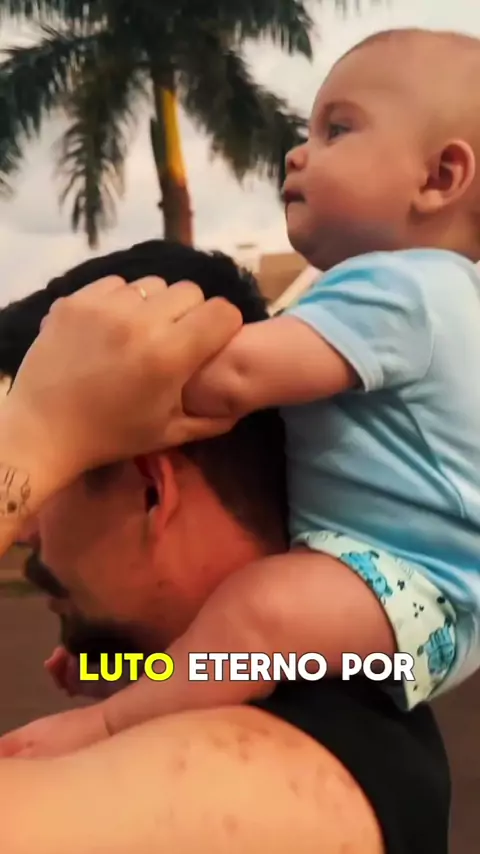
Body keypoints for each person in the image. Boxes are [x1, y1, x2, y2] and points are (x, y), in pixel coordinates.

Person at [14, 26, 480, 741]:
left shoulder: (402, 289)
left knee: (259, 614)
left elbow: (234, 377)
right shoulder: (425, 298)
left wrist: (84, 395)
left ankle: (105, 723)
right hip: (420, 603)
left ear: (440, 177)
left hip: (414, 583)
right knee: (245, 642)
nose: (298, 151)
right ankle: (119, 676)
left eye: (337, 129)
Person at [0, 240, 449, 854]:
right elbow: (234, 663)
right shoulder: (338, 674)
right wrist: (125, 668)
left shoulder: (267, 785)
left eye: (52, 474)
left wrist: (32, 440)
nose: (25, 528)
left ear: (151, 492)